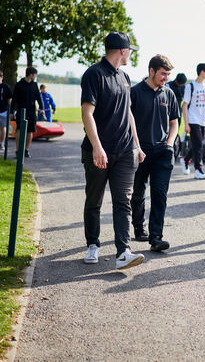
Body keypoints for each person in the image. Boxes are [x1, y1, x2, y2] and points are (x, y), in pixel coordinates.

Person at [80, 31, 146, 270]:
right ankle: (93, 244)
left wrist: (137, 145)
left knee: (123, 201)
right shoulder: (93, 74)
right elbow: (87, 112)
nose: (130, 54)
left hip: (125, 151)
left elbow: (128, 113)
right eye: (129, 50)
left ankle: (123, 253)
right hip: (98, 152)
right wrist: (97, 147)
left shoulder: (125, 77)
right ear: (122, 50)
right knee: (94, 200)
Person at [130, 54, 179, 252]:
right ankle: (138, 228)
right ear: (151, 71)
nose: (166, 78)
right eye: (163, 74)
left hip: (162, 151)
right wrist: (136, 147)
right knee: (138, 192)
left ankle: (156, 237)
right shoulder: (134, 92)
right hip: (139, 150)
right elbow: (127, 123)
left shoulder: (169, 94)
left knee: (159, 194)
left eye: (168, 74)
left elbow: (174, 123)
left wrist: (169, 143)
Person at [181, 63, 205, 179]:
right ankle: (198, 170)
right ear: (202, 72)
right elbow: (184, 105)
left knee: (197, 145)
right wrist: (186, 123)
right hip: (193, 120)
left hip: (203, 121)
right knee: (198, 145)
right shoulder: (191, 86)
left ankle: (185, 159)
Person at [10, 67, 45, 158]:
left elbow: (38, 97)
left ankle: (26, 150)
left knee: (30, 131)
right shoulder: (19, 85)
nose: (35, 76)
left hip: (32, 112)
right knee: (19, 130)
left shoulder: (34, 85)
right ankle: (18, 150)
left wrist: (42, 108)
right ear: (31, 74)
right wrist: (11, 111)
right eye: (35, 75)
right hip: (21, 111)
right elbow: (14, 99)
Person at [0, 71, 12, 151]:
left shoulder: (5, 86)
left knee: (3, 127)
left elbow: (10, 98)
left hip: (3, 110)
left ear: (2, 77)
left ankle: (2, 143)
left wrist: (9, 108)